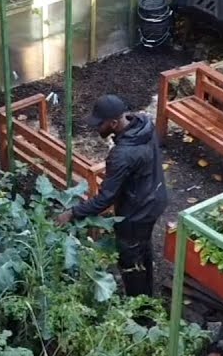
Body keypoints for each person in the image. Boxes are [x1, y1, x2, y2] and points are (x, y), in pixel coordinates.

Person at [54, 94, 169, 297]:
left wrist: (72, 213)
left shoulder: (122, 155)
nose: (97, 128)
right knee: (142, 244)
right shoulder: (144, 124)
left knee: (130, 256)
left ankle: (139, 311)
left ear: (115, 123)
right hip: (156, 196)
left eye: (101, 124)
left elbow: (105, 199)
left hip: (137, 212)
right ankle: (148, 295)